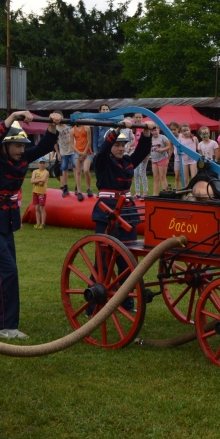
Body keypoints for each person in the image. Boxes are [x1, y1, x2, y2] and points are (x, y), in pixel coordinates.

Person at [0, 111, 61, 338]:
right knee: (6, 271)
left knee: (6, 272)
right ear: (5, 146)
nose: (22, 150)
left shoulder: (21, 159)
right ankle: (6, 326)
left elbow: (43, 148)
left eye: (23, 146)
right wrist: (12, 118)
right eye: (17, 146)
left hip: (5, 221)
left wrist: (52, 125)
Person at [91, 117, 153, 309]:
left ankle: (127, 301)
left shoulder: (127, 161)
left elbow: (142, 151)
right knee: (102, 260)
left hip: (127, 211)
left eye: (122, 145)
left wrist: (147, 133)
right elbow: (102, 150)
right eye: (117, 145)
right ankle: (94, 302)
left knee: (127, 259)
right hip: (107, 211)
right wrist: (117, 129)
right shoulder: (101, 161)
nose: (120, 148)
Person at [72, 115, 93, 201]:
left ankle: (89, 188)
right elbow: (71, 144)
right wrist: (79, 152)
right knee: (78, 171)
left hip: (87, 151)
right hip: (77, 152)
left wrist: (84, 152)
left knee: (86, 170)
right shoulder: (72, 130)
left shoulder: (87, 128)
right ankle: (79, 191)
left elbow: (89, 141)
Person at [54, 112, 75, 198]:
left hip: (73, 149)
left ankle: (77, 186)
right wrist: (58, 153)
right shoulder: (55, 129)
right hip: (63, 151)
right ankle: (65, 187)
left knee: (75, 166)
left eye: (60, 117)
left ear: (62, 116)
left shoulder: (69, 125)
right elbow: (54, 142)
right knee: (64, 168)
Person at [149, 124, 172, 195]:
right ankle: (155, 194)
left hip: (162, 158)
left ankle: (165, 193)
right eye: (152, 131)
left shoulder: (163, 137)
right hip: (154, 159)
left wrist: (162, 149)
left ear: (158, 129)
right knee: (155, 178)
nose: (154, 132)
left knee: (162, 177)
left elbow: (169, 146)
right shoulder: (150, 138)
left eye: (155, 130)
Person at [31, 155, 50, 229]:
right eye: (40, 163)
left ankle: (43, 224)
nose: (42, 164)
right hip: (35, 191)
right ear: (38, 163)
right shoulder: (35, 171)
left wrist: (36, 180)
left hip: (42, 192)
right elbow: (31, 181)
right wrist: (39, 180)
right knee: (37, 208)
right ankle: (38, 223)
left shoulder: (46, 172)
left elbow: (43, 182)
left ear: (45, 164)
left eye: (43, 163)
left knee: (42, 208)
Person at [177, 123, 199, 187]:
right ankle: (186, 190)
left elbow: (198, 148)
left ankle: (194, 189)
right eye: (184, 131)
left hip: (193, 160)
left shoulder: (194, 138)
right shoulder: (180, 139)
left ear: (190, 129)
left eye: (187, 130)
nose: (186, 132)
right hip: (184, 160)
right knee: (185, 178)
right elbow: (178, 149)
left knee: (194, 177)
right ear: (181, 132)